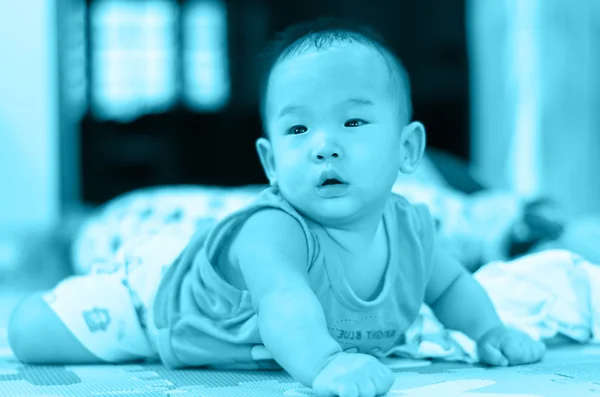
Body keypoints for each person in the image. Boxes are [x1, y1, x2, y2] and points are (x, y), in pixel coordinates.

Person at [8, 16, 546, 397]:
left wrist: (489, 331)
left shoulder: (413, 228)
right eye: (297, 128)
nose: (323, 144)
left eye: (353, 122)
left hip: (215, 297)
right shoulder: (275, 231)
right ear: (270, 161)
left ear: (407, 149)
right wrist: (327, 364)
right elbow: (285, 303)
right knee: (31, 336)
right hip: (156, 304)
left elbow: (451, 287)